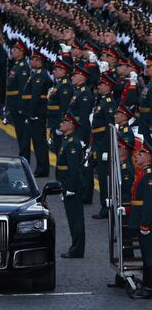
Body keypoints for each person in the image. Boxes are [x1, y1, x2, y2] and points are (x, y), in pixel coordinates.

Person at [57, 111, 85, 258]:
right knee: (72, 218)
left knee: (76, 219)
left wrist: (71, 188)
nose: (61, 123)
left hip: (71, 185)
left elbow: (74, 168)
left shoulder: (72, 142)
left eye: (64, 121)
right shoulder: (67, 140)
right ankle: (76, 247)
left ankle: (77, 249)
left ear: (70, 125)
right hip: (67, 183)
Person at [22, 50, 52, 177]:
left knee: (39, 142)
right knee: (37, 141)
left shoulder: (41, 76)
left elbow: (35, 96)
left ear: (39, 61)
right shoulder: (36, 74)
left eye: (34, 59)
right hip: (36, 112)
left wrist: (32, 113)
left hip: (38, 113)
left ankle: (42, 169)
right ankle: (41, 167)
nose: (31, 61)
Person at [92, 74, 118, 219]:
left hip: (104, 145)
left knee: (104, 178)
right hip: (98, 142)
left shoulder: (108, 103)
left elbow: (110, 128)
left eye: (101, 84)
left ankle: (106, 208)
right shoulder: (102, 100)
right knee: (101, 177)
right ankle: (104, 206)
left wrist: (108, 149)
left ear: (108, 86)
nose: (99, 87)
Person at [129, 139, 152, 299]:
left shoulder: (148, 177)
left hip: (147, 225)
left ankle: (149, 287)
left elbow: (149, 204)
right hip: (142, 222)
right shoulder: (144, 175)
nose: (138, 154)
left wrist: (145, 224)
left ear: (149, 158)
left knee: (149, 257)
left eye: (142, 153)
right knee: (146, 255)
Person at [69, 65, 95, 204]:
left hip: (81, 133)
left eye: (75, 75)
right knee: (78, 164)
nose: (72, 77)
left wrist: (83, 138)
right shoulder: (78, 91)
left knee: (85, 164)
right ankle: (81, 190)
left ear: (82, 77)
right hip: (76, 132)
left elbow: (84, 119)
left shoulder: (85, 93)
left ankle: (86, 194)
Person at [6, 41, 31, 160]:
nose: (13, 51)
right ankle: (22, 154)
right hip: (13, 102)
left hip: (18, 103)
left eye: (15, 50)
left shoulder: (23, 67)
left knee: (23, 133)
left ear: (21, 53)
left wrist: (21, 106)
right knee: (19, 131)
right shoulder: (16, 65)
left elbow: (23, 89)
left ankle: (25, 156)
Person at [48, 59, 74, 154]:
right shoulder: (60, 83)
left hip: (58, 121)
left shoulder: (65, 85)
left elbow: (65, 106)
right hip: (54, 120)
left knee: (59, 149)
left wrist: (61, 123)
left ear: (63, 70)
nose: (53, 71)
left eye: (56, 69)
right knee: (56, 148)